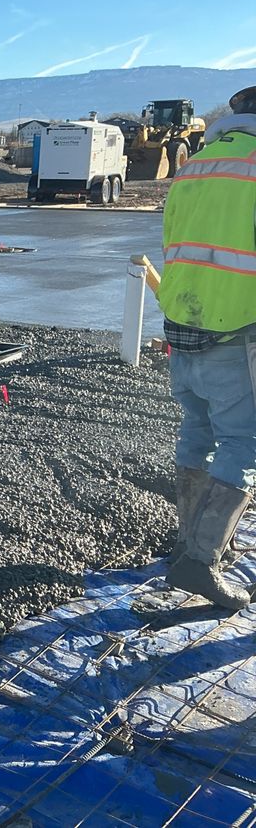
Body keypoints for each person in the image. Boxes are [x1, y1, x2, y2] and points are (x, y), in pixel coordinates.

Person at [155, 84, 256, 610]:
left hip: (182, 321)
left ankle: (187, 542)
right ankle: (200, 560)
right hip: (236, 329)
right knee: (243, 443)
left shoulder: (196, 163)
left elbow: (171, 240)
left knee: (197, 430)